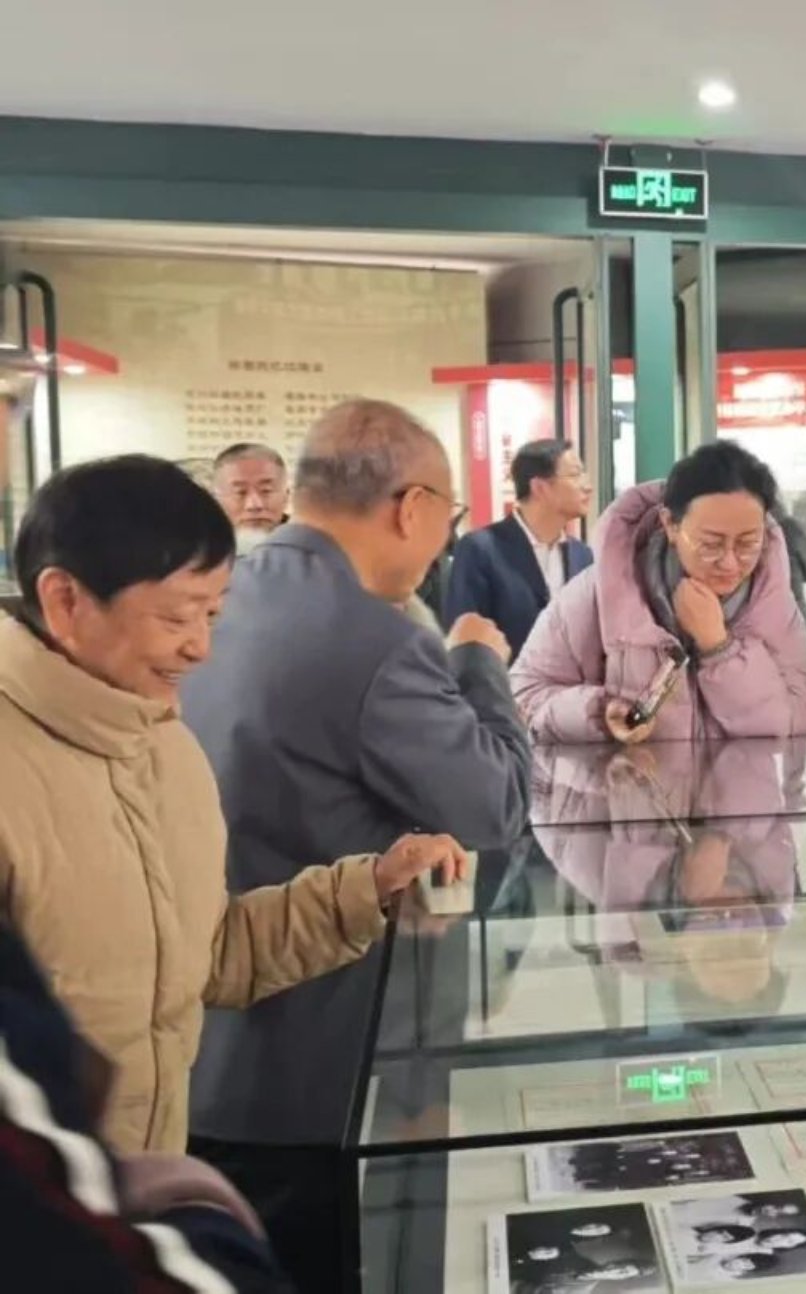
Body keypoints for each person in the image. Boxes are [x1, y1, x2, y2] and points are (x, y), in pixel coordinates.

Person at [0, 455, 465, 1160]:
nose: (200, 647)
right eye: (176, 616)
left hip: (144, 1189)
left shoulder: (163, 747)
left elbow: (210, 954)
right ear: (65, 601)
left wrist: (369, 888)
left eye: (213, 614)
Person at [178, 399, 531, 1291]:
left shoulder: (214, 600)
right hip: (323, 1063)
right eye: (448, 515)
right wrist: (478, 664)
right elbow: (495, 803)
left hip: (200, 1050)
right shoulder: (379, 641)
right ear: (412, 507)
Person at [0, 918, 297, 1293]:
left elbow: (220, 955)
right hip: (110, 1194)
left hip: (151, 1183)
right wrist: (193, 1193)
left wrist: (361, 894)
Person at [513, 439, 806, 743]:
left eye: (748, 544)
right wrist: (598, 713)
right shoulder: (597, 593)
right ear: (670, 524)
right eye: (711, 544)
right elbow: (524, 695)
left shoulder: (774, 606)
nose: (730, 562)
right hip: (626, 775)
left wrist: (719, 649)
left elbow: (795, 723)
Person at [446, 438, 596, 659]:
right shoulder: (480, 549)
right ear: (540, 487)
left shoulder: (582, 556)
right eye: (575, 475)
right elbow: (466, 645)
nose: (587, 486)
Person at [210, 442, 291, 555]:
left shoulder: (311, 549)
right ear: (216, 500)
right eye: (240, 492)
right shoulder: (198, 553)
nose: (254, 505)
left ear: (286, 496)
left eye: (266, 491)